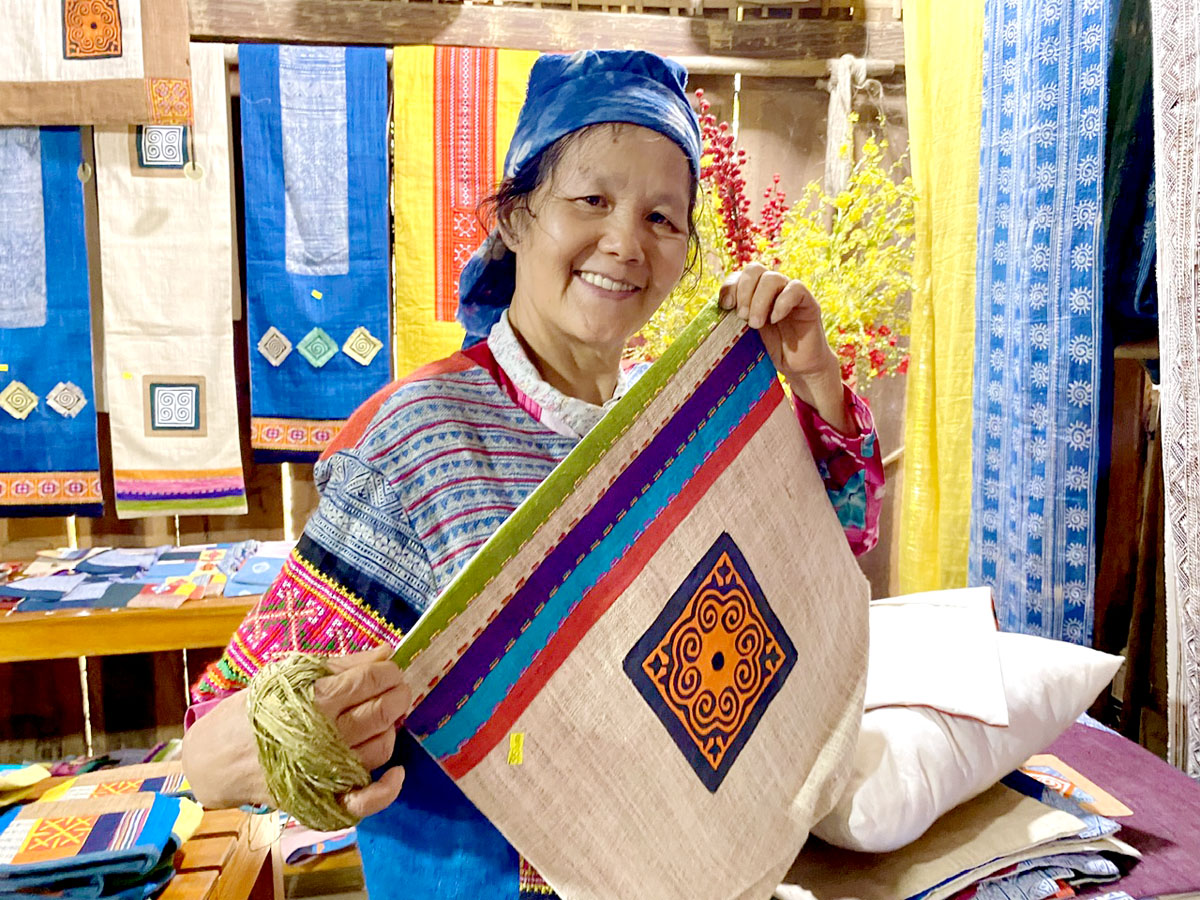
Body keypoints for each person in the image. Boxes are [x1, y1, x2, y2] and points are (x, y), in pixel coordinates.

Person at [182, 49, 885, 898]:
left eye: (662, 218)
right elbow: (210, 746)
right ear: (516, 217)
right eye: (592, 200)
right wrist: (306, 740)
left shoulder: (669, 429)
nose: (625, 243)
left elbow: (818, 562)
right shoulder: (425, 439)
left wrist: (814, 382)